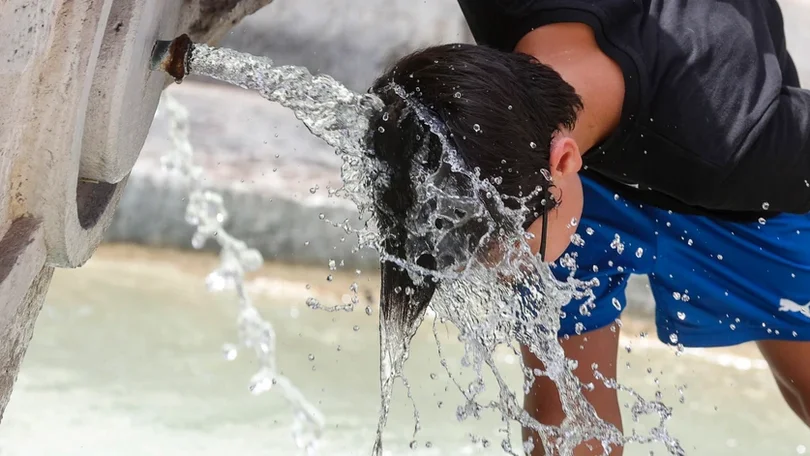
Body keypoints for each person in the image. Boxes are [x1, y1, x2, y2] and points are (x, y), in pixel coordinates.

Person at [366, 0, 810, 454]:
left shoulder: (747, 141)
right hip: (555, 177)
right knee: (565, 415)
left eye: (505, 261)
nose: (498, 279)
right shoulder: (500, 163)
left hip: (728, 192)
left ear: (564, 159)